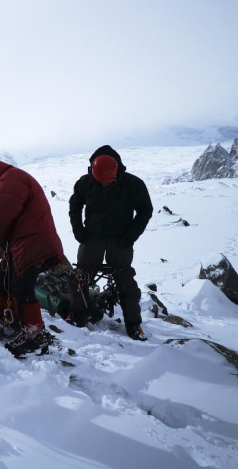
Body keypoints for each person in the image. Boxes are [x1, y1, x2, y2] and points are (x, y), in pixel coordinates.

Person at [0, 159, 65, 356]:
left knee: (22, 287)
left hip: (34, 243)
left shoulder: (9, 181)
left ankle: (34, 334)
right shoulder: (10, 178)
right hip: (25, 241)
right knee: (2, 281)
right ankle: (10, 324)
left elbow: (1, 217)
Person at [69, 145, 153, 341]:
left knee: (125, 280)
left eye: (109, 183)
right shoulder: (86, 182)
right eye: (101, 183)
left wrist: (130, 236)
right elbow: (75, 204)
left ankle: (134, 325)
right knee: (79, 278)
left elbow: (145, 210)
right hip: (92, 237)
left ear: (116, 173)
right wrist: (78, 230)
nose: (104, 186)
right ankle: (78, 315)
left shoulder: (133, 184)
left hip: (120, 239)